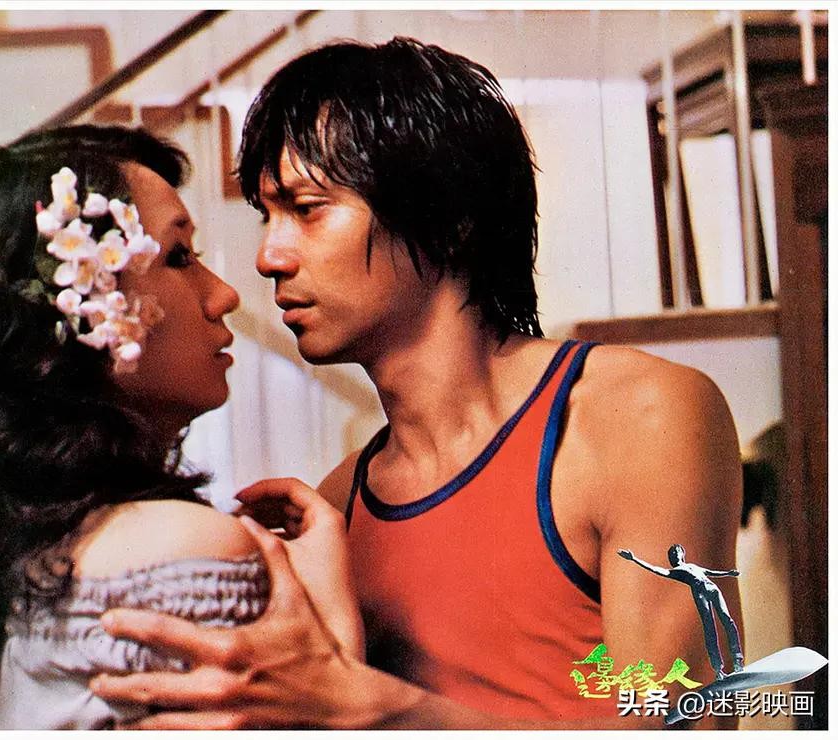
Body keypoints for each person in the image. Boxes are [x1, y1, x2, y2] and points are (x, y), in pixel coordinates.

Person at [89, 38, 744, 729]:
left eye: (307, 208)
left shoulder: (636, 416)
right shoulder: (335, 509)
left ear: (448, 219)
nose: (268, 257)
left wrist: (378, 707)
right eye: (267, 215)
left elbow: (689, 726)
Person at [0, 124, 363, 729]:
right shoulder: (174, 552)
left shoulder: (40, 552)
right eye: (179, 257)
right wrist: (337, 660)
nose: (225, 295)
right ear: (77, 312)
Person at [619, 545, 744, 680]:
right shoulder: (675, 571)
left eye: (677, 551)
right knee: (709, 628)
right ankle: (718, 669)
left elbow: (710, 572)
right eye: (672, 553)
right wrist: (634, 559)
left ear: (682, 554)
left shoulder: (692, 566)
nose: (675, 554)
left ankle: (737, 660)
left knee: (727, 620)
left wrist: (728, 573)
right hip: (700, 593)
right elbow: (655, 569)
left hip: (713, 589)